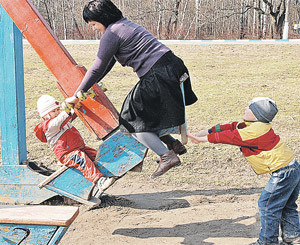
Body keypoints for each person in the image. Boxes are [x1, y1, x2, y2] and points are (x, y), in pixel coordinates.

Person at [65, 0, 197, 179]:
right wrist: (88, 87)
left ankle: (166, 156)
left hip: (157, 74)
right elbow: (107, 63)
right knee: (146, 114)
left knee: (130, 119)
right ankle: (172, 144)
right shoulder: (125, 24)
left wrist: (76, 95)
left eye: (94, 24)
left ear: (103, 18)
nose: (94, 28)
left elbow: (97, 67)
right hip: (173, 66)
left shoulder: (111, 32)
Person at [187, 97, 300, 245]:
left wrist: (203, 139)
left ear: (256, 115)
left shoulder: (254, 131)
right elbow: (232, 127)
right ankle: (293, 237)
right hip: (291, 168)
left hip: (284, 171)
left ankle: (267, 241)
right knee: (287, 204)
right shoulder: (251, 125)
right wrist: (207, 131)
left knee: (267, 204)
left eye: (249, 108)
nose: (245, 109)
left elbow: (230, 137)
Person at [34, 95, 116, 196]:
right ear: (45, 116)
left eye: (58, 109)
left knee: (97, 155)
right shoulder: (49, 126)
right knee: (82, 160)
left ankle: (113, 170)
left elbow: (73, 113)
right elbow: (62, 117)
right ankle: (100, 181)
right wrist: (69, 105)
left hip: (79, 148)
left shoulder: (60, 119)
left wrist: (81, 101)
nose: (57, 112)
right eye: (53, 111)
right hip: (67, 154)